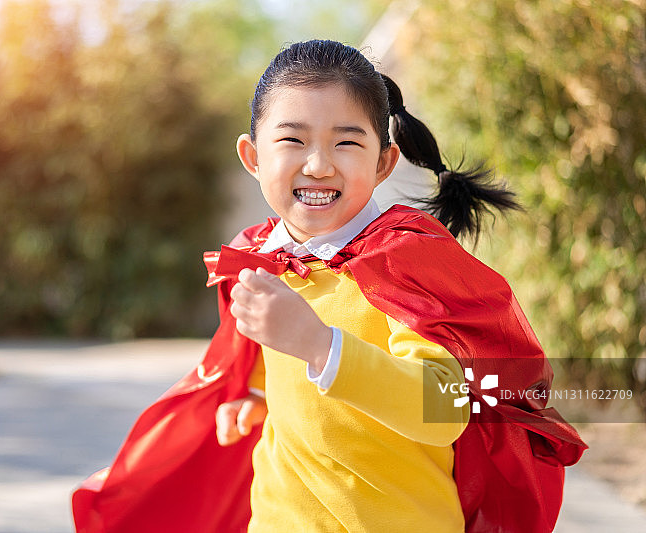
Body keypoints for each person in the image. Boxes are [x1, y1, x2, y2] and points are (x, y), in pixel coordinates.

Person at [72, 40, 587, 533]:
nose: (318, 165)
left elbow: (447, 408)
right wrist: (255, 395)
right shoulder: (262, 256)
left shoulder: (407, 263)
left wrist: (319, 346)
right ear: (253, 157)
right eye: (293, 140)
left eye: (346, 141)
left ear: (384, 162)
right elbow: (267, 351)